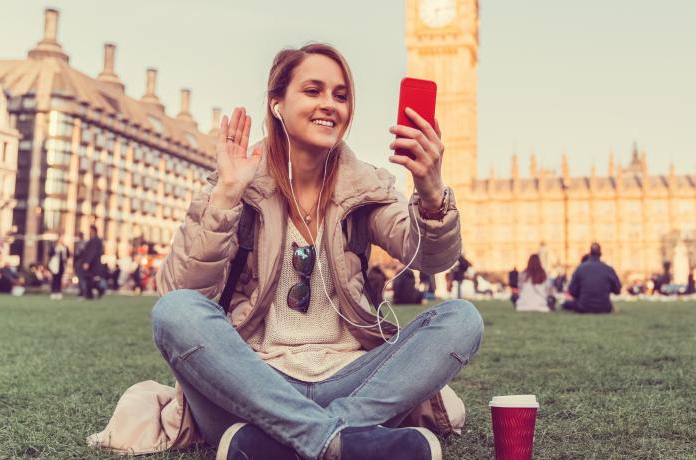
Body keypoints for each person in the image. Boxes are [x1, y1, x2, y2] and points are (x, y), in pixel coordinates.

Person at [93, 44, 482, 460]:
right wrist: (227, 195)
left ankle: (290, 441)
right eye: (313, 90)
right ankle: (342, 442)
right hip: (252, 381)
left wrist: (430, 189)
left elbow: (432, 258)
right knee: (174, 313)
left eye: (340, 95)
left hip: (348, 380)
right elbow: (181, 291)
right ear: (277, 104)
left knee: (462, 319)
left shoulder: (366, 187)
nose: (329, 105)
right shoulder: (238, 179)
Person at [562, 243, 622, 313]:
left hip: (583, 307)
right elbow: (617, 290)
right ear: (600, 254)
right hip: (604, 307)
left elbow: (572, 291)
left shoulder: (580, 268)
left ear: (590, 253)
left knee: (566, 304)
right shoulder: (609, 269)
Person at [76, 226, 104, 300]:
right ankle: (90, 294)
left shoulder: (95, 240)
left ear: (93, 231)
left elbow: (92, 252)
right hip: (92, 264)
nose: (89, 232)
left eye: (90, 230)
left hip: (92, 264)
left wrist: (87, 262)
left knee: (88, 278)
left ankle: (98, 290)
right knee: (89, 279)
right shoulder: (94, 240)